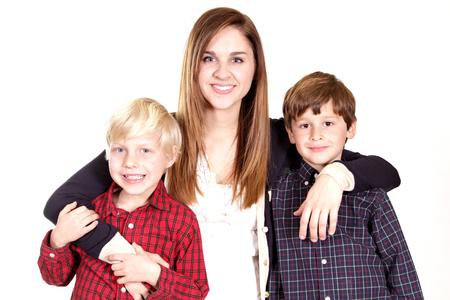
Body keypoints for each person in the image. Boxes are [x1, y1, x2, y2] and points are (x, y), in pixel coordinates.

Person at [43, 7, 400, 299]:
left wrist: (333, 177)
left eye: (238, 59)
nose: (222, 73)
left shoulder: (276, 137)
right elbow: (63, 201)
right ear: (193, 65)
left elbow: (385, 171)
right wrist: (121, 257)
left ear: (255, 68)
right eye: (209, 57)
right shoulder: (162, 134)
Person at [268, 72, 422, 299]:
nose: (316, 135)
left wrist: (335, 176)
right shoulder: (278, 194)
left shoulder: (370, 193)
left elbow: (399, 265)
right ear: (290, 133)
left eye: (328, 123)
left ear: (350, 128)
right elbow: (273, 271)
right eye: (304, 125)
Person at [38, 98, 208, 299]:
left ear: (171, 157)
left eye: (145, 150)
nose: (130, 162)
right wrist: (58, 240)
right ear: (107, 154)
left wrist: (153, 273)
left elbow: (196, 292)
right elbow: (56, 278)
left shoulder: (181, 221)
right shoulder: (91, 210)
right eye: (120, 150)